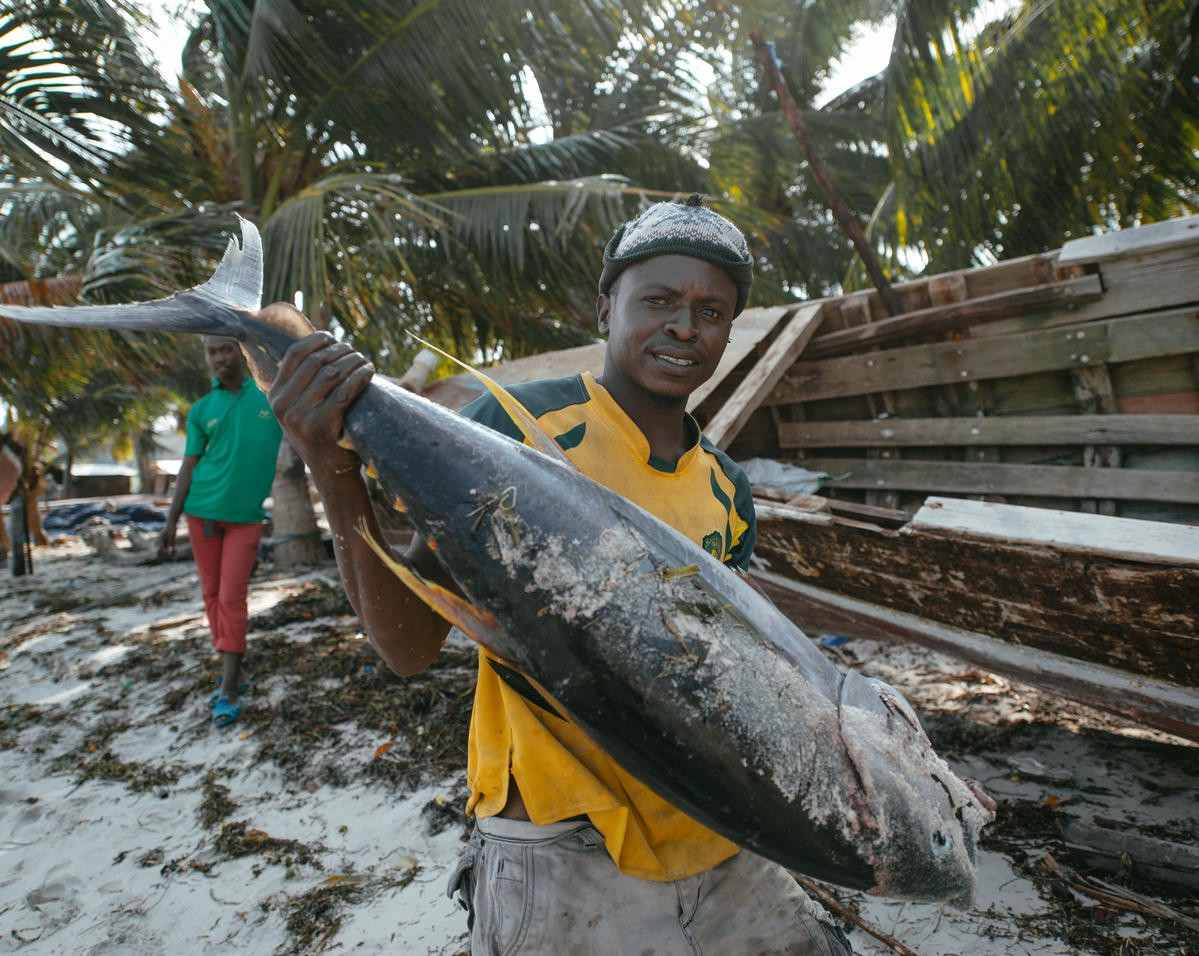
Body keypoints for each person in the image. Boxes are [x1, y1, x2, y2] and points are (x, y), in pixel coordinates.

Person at [264, 196, 854, 954]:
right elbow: (408, 648)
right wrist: (330, 470)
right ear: (605, 305)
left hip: (717, 827)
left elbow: (743, 675)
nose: (684, 327)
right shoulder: (515, 428)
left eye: (711, 312)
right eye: (660, 300)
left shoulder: (726, 487)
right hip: (560, 841)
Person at [159, 335, 283, 726]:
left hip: (245, 518)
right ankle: (232, 671)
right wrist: (171, 519)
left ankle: (229, 687)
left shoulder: (268, 402)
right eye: (212, 352)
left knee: (231, 596)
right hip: (202, 514)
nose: (218, 358)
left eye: (225, 349)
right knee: (212, 595)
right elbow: (188, 467)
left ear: (241, 352)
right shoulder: (202, 410)